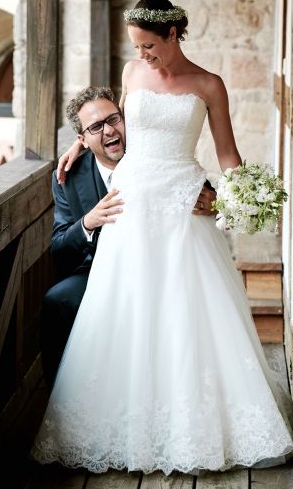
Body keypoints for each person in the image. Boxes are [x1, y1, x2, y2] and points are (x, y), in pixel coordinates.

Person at [31, 0, 293, 474]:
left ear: (173, 34)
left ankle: (195, 431)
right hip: (132, 205)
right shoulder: (134, 75)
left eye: (148, 45)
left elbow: (228, 154)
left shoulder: (209, 85)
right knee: (127, 310)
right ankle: (126, 427)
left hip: (184, 205)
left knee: (185, 313)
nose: (142, 55)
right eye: (136, 46)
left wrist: (233, 198)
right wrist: (77, 143)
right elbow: (112, 118)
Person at [41, 86, 217, 387]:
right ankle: (61, 397)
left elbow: (196, 188)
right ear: (82, 139)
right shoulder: (69, 178)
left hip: (163, 265)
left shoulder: (154, 152)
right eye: (96, 127)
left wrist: (212, 200)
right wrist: (88, 222)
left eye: (114, 119)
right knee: (56, 301)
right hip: (99, 271)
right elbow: (59, 249)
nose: (109, 130)